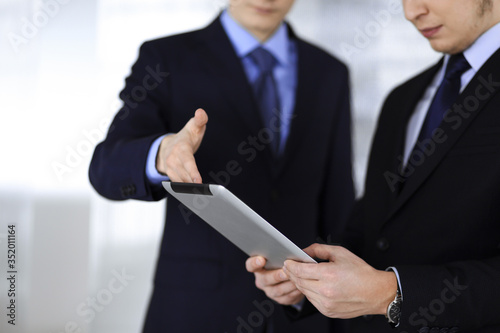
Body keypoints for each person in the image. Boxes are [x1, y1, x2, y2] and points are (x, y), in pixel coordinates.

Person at [89, 0, 354, 332]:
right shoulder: (167, 58)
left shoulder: (330, 72)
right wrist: (161, 153)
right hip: (196, 310)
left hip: (302, 310)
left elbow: (339, 199)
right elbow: (106, 166)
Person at [247, 0, 500, 332]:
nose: (412, 12)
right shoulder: (403, 99)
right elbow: (373, 226)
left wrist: (391, 293)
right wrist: (308, 285)